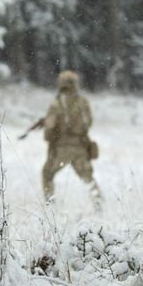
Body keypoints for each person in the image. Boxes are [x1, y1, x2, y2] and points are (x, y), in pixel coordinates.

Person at [41, 70, 101, 204]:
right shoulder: (83, 102)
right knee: (88, 178)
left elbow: (50, 127)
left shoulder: (57, 103)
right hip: (80, 147)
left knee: (47, 174)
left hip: (61, 149)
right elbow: (88, 122)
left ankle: (50, 208)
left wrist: (51, 138)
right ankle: (99, 205)